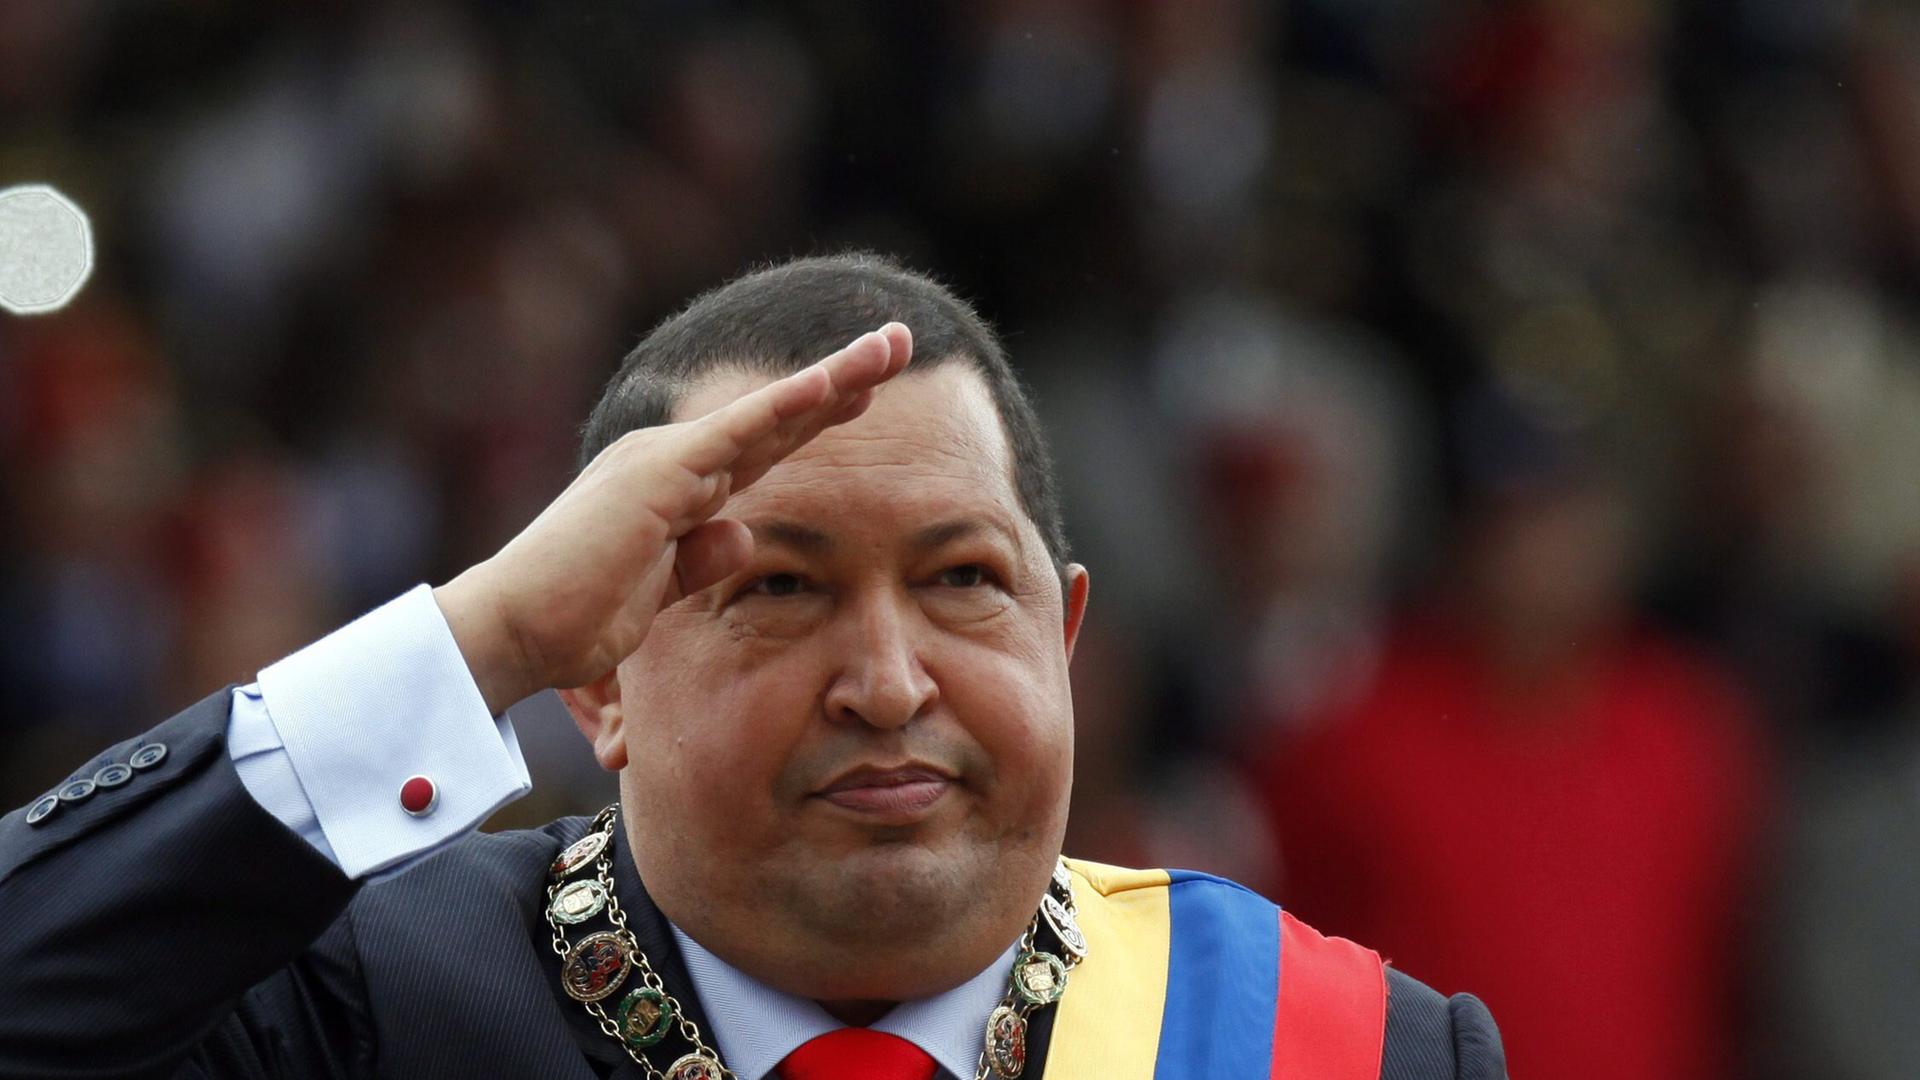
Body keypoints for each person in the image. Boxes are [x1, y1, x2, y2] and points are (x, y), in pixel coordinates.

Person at [0, 254, 1504, 1080]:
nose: (888, 681)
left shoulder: (1347, 1053)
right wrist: (479, 639)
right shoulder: (356, 1014)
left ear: (1067, 638)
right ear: (596, 682)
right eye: (778, 588)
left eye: (964, 582)